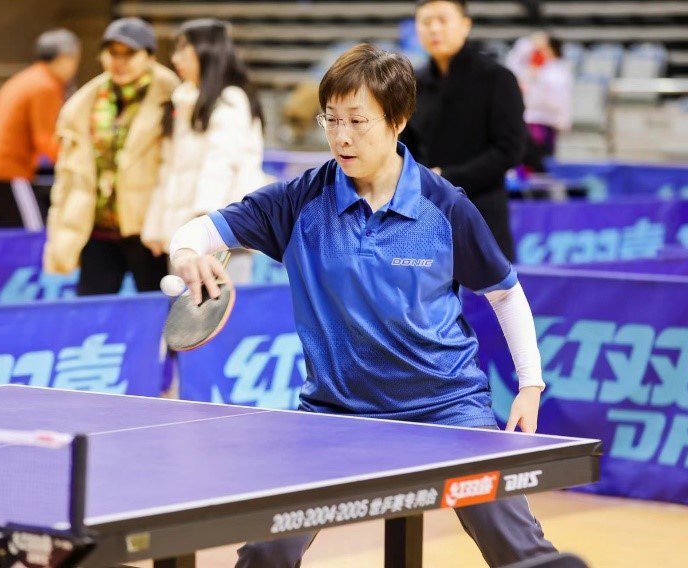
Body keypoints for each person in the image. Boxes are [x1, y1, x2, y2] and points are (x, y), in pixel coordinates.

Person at [168, 43, 557, 568]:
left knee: (510, 536)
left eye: (357, 120)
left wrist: (530, 384)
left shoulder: (444, 206)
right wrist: (187, 255)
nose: (342, 137)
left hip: (446, 406)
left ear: (397, 121)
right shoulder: (299, 201)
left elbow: (504, 292)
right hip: (334, 410)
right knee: (267, 545)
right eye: (331, 120)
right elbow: (200, 231)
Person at [43, 17, 180, 295]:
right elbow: (68, 177)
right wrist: (61, 229)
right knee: (90, 312)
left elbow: (176, 171)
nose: (120, 61)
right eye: (113, 53)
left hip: (148, 233)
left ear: (150, 56)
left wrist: (165, 228)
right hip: (97, 230)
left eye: (130, 53)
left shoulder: (174, 98)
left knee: (160, 311)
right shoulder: (84, 103)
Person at [141, 18, 269, 284]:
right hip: (187, 238)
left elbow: (220, 165)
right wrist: (156, 228)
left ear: (207, 52)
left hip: (222, 235)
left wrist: (206, 227)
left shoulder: (231, 100)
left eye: (182, 50)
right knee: (188, 306)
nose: (175, 59)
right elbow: (167, 169)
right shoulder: (182, 99)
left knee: (221, 307)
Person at [400, 0, 526, 262]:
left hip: (481, 214)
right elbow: (404, 147)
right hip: (426, 215)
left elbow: (509, 149)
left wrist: (445, 178)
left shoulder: (497, 78)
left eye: (442, 20)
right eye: (426, 22)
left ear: (465, 25)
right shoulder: (413, 83)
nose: (434, 29)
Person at [0, 28, 80, 229]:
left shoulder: (23, 79)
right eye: (75, 60)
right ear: (64, 58)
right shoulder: (46, 86)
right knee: (32, 236)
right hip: (9, 174)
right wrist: (78, 166)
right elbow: (46, 139)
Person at [506, 31, 573, 172]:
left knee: (540, 162)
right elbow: (513, 63)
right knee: (521, 160)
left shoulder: (558, 71)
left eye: (541, 48)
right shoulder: (530, 68)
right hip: (525, 120)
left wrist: (537, 77)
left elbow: (557, 101)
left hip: (544, 123)